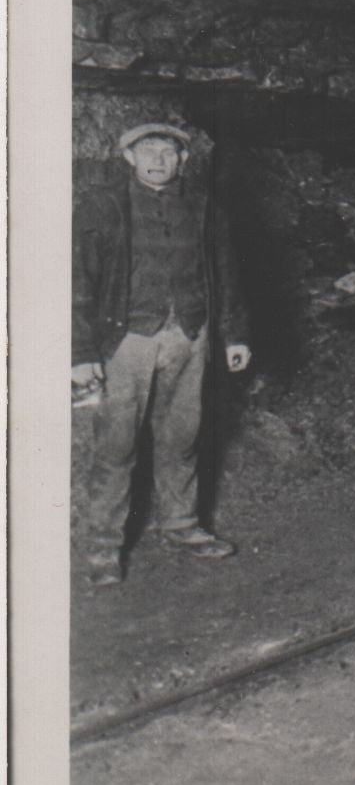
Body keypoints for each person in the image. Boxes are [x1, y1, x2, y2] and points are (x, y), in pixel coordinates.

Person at [72, 122, 253, 586]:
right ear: (128, 158)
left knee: (183, 435)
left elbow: (226, 273)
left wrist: (234, 334)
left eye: (168, 151)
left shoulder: (205, 208)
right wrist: (80, 350)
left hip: (189, 334)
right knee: (117, 443)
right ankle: (103, 547)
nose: (157, 158)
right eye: (146, 149)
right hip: (127, 339)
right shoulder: (104, 205)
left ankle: (182, 525)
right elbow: (76, 280)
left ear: (183, 160)